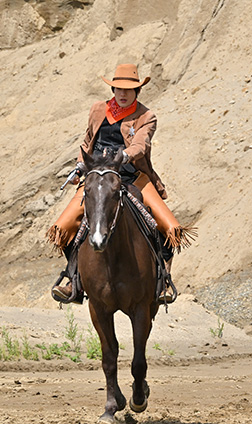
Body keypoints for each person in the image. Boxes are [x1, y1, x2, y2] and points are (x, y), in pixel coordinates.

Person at [47, 63, 175, 304]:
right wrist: (79, 166)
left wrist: (124, 156)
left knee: (169, 226)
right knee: (62, 228)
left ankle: (163, 280)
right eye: (118, 89)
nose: (123, 94)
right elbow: (87, 142)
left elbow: (141, 144)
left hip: (131, 177)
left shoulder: (146, 116)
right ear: (113, 89)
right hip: (97, 178)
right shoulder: (98, 109)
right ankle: (73, 279)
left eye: (128, 90)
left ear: (137, 91)